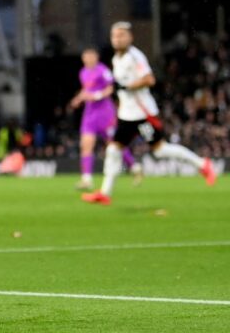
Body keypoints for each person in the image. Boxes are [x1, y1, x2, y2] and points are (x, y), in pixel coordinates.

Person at [82, 22, 217, 205]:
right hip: (126, 115)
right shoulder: (116, 59)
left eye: (121, 35)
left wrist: (127, 86)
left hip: (143, 115)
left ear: (130, 37)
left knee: (160, 151)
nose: (118, 39)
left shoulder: (135, 56)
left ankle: (203, 164)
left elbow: (149, 79)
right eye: (115, 36)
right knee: (113, 149)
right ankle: (105, 193)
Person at [68, 47, 117, 190]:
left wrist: (96, 96)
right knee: (86, 145)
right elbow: (86, 90)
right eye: (85, 57)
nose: (87, 60)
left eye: (90, 57)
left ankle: (133, 166)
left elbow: (110, 88)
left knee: (113, 144)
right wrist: (78, 99)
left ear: (96, 57)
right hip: (90, 113)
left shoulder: (103, 70)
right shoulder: (82, 72)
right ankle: (87, 179)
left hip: (105, 112)